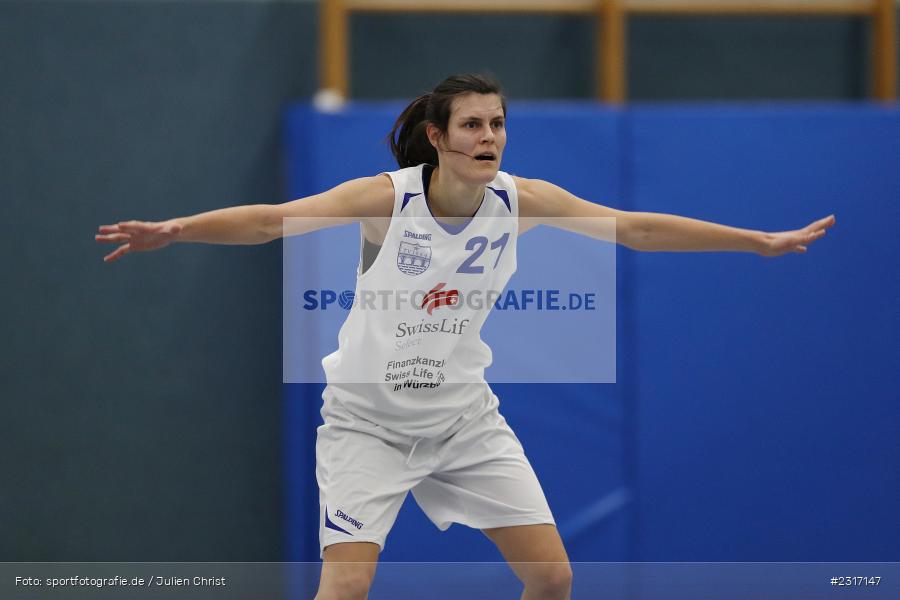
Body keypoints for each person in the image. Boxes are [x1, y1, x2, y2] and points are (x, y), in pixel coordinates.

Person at [96, 73, 835, 600]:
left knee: (552, 578)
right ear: (437, 137)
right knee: (346, 586)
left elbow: (636, 229)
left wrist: (754, 240)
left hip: (462, 421)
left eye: (498, 123)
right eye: (474, 125)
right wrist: (180, 229)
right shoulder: (388, 200)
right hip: (366, 425)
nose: (490, 137)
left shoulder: (524, 200)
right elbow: (268, 219)